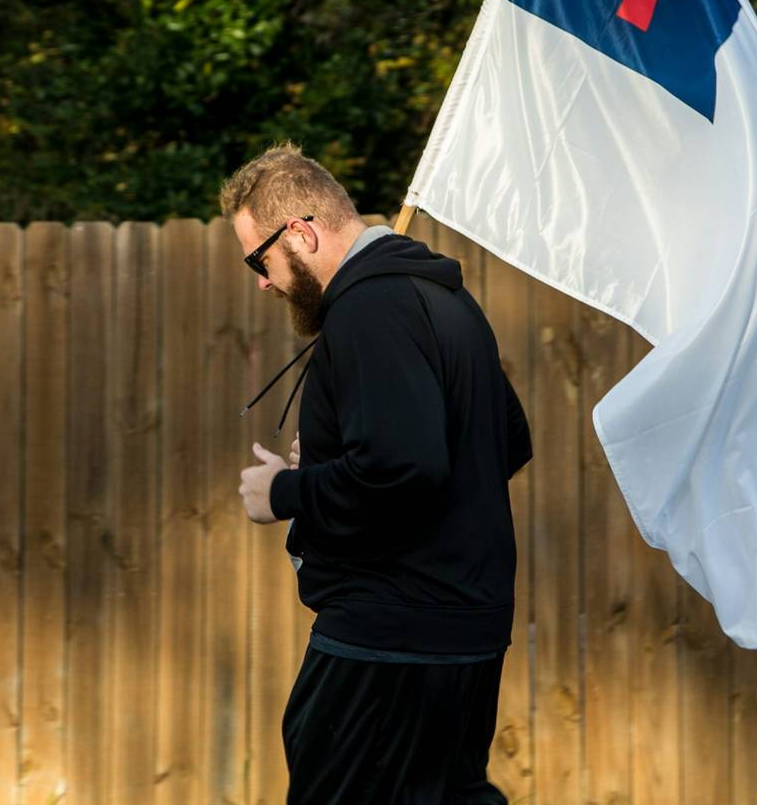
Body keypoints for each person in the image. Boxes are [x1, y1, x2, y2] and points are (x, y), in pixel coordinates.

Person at [227, 141, 532, 805]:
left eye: (259, 259)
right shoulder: (446, 300)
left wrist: (283, 491)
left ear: (300, 233)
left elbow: (404, 468)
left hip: (387, 642)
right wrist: (339, 460)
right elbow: (503, 441)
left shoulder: (371, 309)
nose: (262, 281)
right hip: (464, 636)